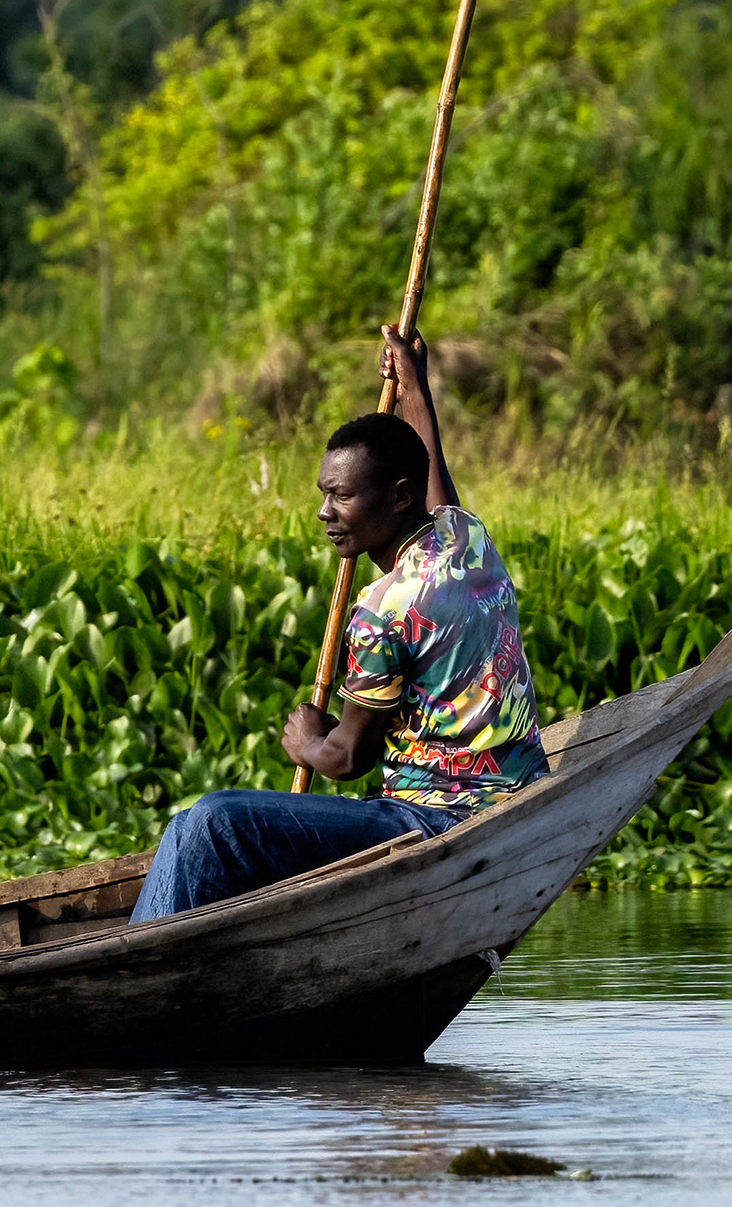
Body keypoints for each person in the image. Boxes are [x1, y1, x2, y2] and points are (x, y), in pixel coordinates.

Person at [130, 328, 541, 923]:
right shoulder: (463, 539)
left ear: (396, 498)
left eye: (342, 497)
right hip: (512, 788)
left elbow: (350, 758)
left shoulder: (383, 609)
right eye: (324, 495)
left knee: (211, 826)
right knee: (202, 828)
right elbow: (428, 469)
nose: (325, 513)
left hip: (434, 819)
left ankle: (137, 968)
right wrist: (414, 388)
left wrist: (308, 743)